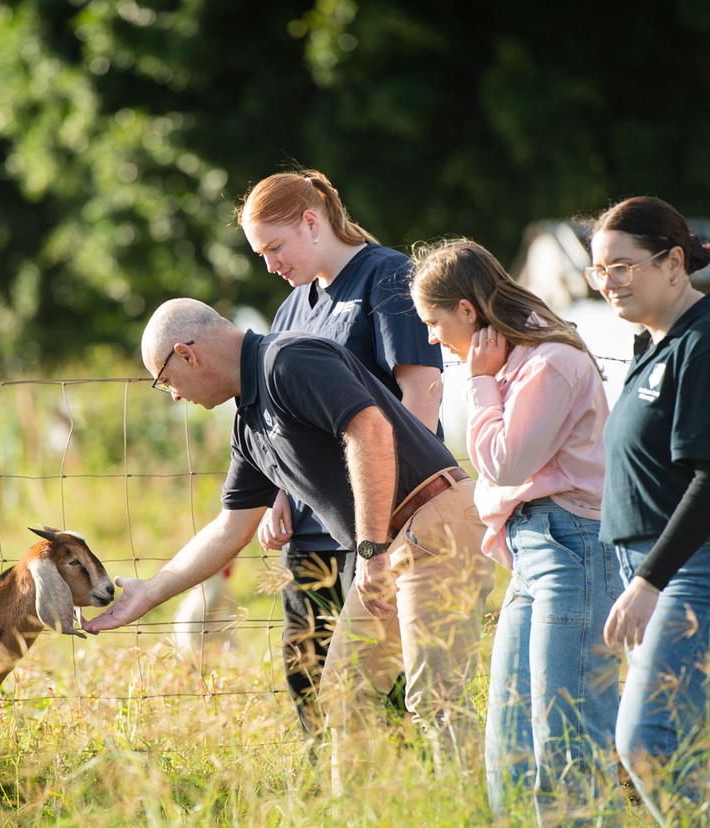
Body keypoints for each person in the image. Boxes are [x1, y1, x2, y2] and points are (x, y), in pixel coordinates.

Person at [83, 297, 493, 784]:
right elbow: (230, 527)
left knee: (435, 697)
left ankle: (480, 811)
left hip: (431, 522)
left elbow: (370, 431)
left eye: (165, 380)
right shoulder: (249, 422)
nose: (172, 395)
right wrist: (148, 592)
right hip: (394, 543)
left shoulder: (289, 359)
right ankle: (362, 817)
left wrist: (369, 550)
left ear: (186, 355)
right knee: (345, 692)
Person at [410, 239, 624, 825]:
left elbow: (505, 462)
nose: (431, 338)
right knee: (509, 738)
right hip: (536, 553)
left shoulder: (549, 362)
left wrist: (479, 383)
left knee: (568, 732)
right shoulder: (517, 364)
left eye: (433, 321)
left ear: (467, 312)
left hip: (571, 550)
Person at [235, 169, 444, 736]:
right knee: (308, 681)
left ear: (312, 220)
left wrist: (395, 509)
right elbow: (291, 419)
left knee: (379, 691)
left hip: (378, 528)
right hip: (309, 530)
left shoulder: (390, 276)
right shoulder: (289, 311)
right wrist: (280, 491)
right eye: (260, 253)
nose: (270, 265)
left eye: (275, 247)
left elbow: (421, 392)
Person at [587, 196, 710, 826]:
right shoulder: (651, 344)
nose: (608, 283)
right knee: (687, 747)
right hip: (654, 568)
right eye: (599, 271)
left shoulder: (702, 339)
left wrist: (649, 580)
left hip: (686, 569)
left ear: (673, 263)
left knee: (648, 742)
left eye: (623, 267)